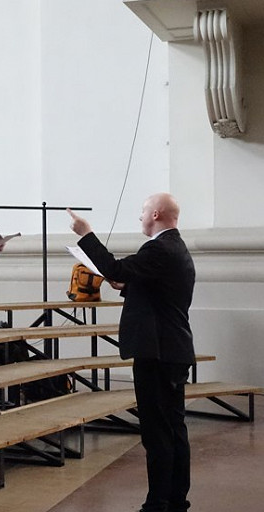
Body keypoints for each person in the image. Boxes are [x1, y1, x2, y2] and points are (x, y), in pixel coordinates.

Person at [68, 194, 195, 512]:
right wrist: (127, 286)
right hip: (172, 349)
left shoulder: (159, 248)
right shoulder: (175, 247)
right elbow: (156, 289)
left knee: (157, 432)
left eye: (142, 212)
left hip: (158, 352)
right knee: (174, 428)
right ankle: (176, 499)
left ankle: (157, 503)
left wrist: (86, 234)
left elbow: (114, 267)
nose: (140, 217)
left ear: (155, 214)